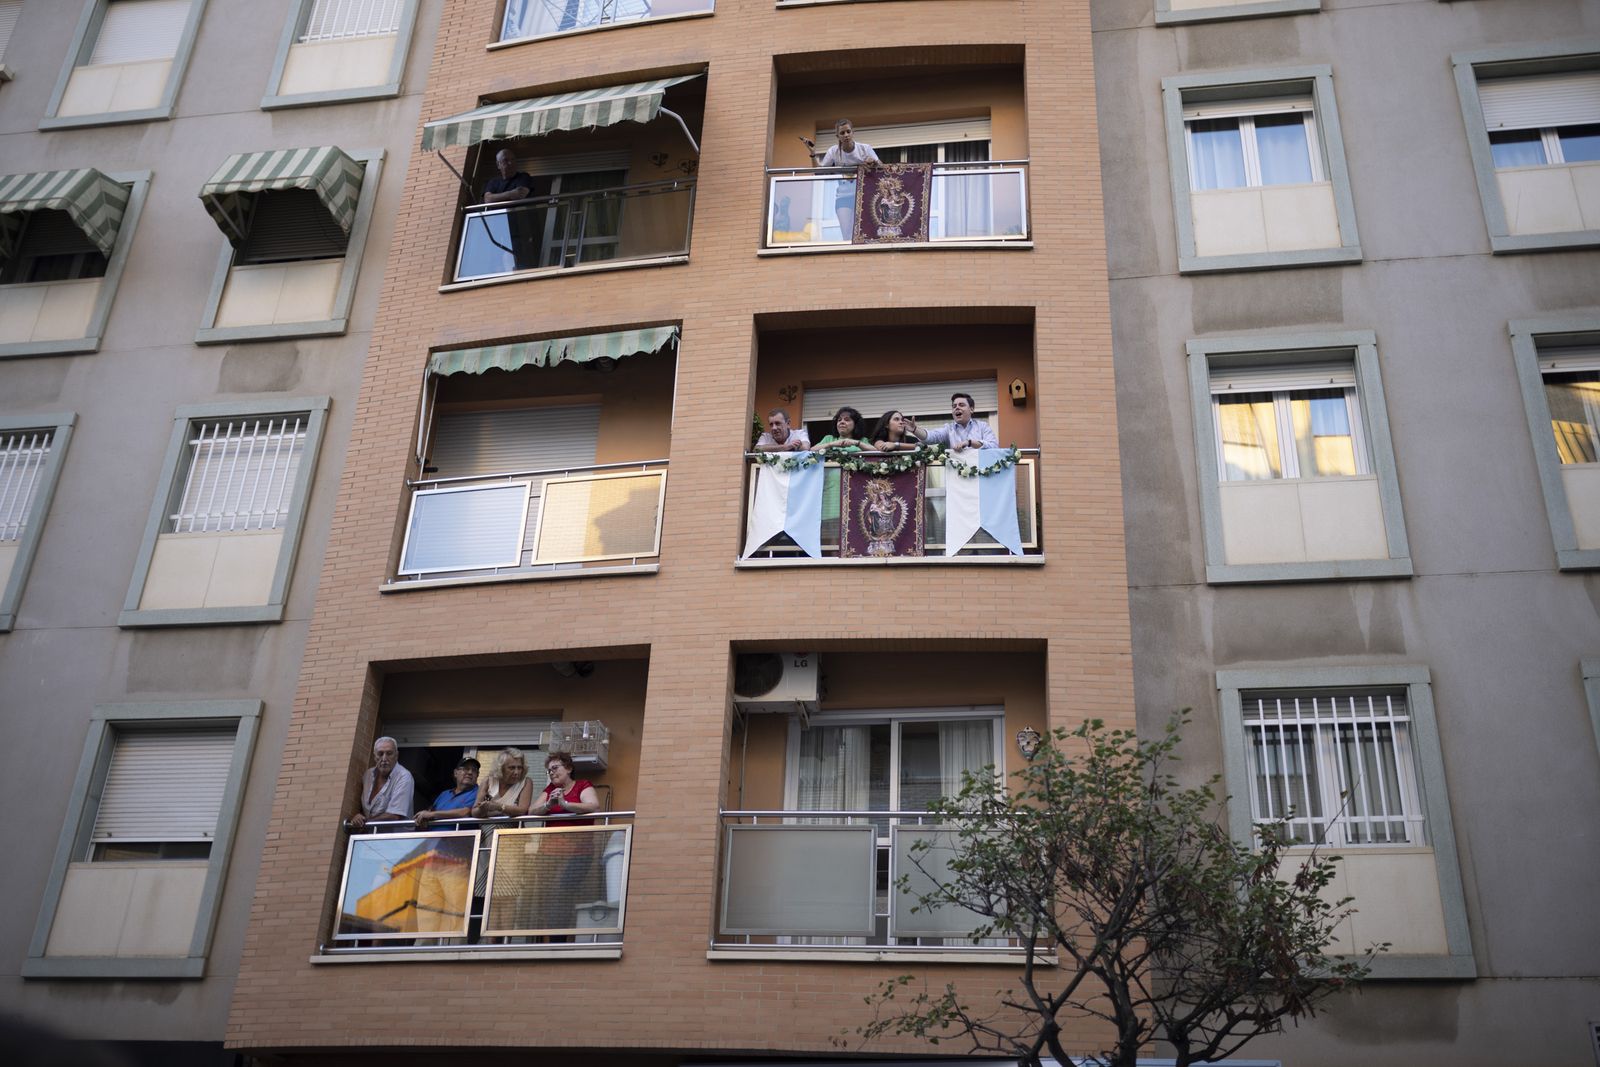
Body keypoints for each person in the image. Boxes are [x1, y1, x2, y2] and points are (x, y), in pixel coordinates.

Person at [801, 119, 881, 241]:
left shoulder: (865, 149)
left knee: (866, 231)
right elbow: (819, 171)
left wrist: (874, 163)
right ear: (837, 136)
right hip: (843, 197)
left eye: (848, 132)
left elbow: (883, 168)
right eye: (842, 133)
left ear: (853, 132)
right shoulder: (834, 151)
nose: (846, 135)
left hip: (865, 195)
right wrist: (812, 153)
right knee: (847, 235)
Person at [349, 736, 415, 829]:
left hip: (395, 840)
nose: (384, 758)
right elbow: (363, 810)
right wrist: (358, 817)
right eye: (380, 754)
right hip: (368, 838)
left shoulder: (404, 776)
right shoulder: (368, 775)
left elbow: (394, 816)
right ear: (374, 756)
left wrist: (364, 822)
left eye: (389, 753)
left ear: (396, 756)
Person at [913, 392, 1001, 452]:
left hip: (980, 474)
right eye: (954, 406)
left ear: (971, 409)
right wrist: (914, 430)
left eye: (961, 405)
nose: (957, 408)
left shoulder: (982, 426)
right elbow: (931, 437)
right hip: (955, 475)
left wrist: (969, 442)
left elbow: (994, 446)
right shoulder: (948, 429)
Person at [414, 757, 481, 828]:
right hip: (433, 837)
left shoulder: (478, 792)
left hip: (459, 837)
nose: (470, 772)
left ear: (477, 775)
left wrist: (432, 814)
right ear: (456, 773)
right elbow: (430, 812)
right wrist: (424, 816)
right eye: (466, 769)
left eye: (474, 770)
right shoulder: (444, 794)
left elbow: (466, 812)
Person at [471, 748, 535, 819]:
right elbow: (474, 812)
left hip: (512, 827)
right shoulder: (488, 781)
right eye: (512, 768)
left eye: (519, 768)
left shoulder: (525, 782)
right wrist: (483, 808)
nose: (516, 772)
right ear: (501, 768)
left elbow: (522, 810)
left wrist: (498, 807)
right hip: (486, 827)